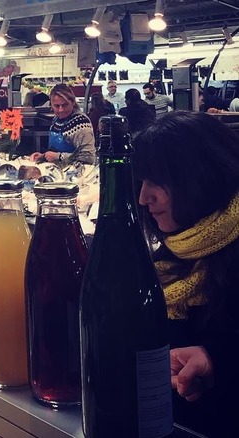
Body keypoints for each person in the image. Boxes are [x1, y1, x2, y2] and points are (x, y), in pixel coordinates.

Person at [134, 111, 239, 438]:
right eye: (141, 181)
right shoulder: (173, 255)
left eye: (157, 181)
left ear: (199, 175)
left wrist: (217, 360)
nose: (143, 197)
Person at [29, 84, 95, 166]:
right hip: (58, 172)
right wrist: (43, 156)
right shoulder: (57, 119)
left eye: (65, 105)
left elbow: (88, 158)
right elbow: (54, 152)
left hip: (75, 175)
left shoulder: (80, 122)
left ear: (73, 103)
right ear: (51, 105)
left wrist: (59, 157)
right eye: (56, 106)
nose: (61, 110)